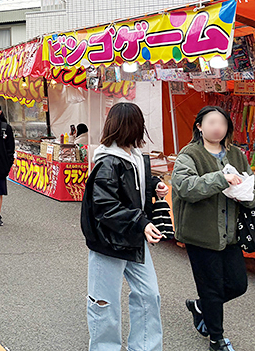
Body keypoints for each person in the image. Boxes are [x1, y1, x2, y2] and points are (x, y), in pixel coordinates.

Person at [80, 102, 168, 351]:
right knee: (104, 302)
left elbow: (131, 188)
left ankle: (145, 347)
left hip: (131, 236)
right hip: (108, 241)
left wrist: (153, 185)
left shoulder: (134, 156)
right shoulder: (108, 162)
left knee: (148, 296)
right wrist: (141, 222)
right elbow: (105, 206)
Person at [172, 106, 255, 351]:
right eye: (211, 122)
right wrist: (222, 179)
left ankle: (200, 306)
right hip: (201, 234)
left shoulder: (237, 154)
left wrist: (246, 193)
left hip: (230, 234)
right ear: (199, 126)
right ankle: (216, 340)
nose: (217, 127)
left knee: (238, 284)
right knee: (210, 288)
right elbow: (185, 187)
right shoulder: (190, 154)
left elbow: (249, 187)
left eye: (222, 123)